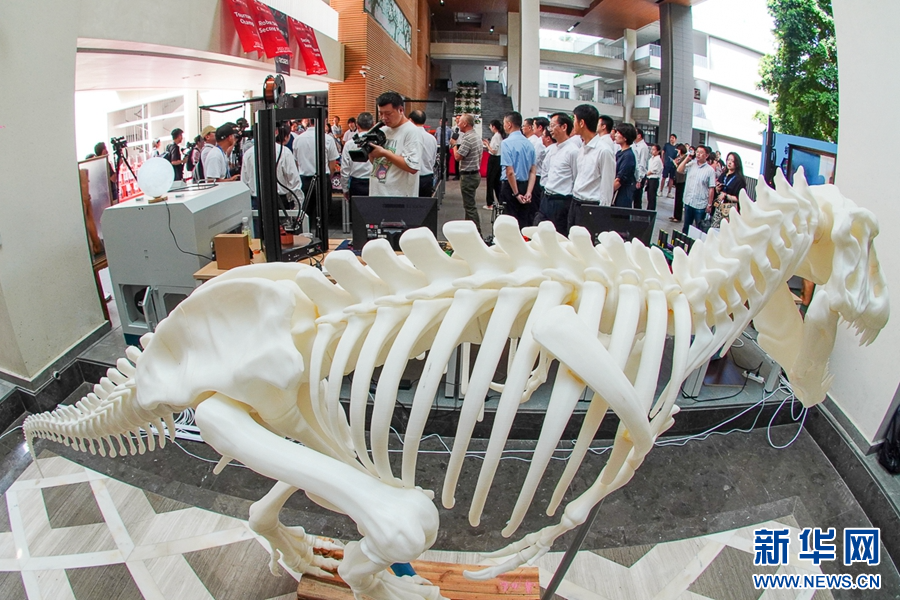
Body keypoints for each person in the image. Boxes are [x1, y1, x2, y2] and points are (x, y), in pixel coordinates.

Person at [241, 123, 304, 236]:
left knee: (260, 238)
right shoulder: (284, 152)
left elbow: (244, 182)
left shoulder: (248, 154)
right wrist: (298, 205)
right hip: (279, 201)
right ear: (276, 132)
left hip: (257, 201)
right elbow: (294, 181)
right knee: (282, 239)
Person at [570, 104, 616, 229]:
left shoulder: (604, 151)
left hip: (591, 206)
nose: (573, 124)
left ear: (581, 123)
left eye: (574, 119)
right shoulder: (582, 148)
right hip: (575, 203)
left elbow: (607, 187)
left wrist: (602, 215)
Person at [368, 91, 421, 197]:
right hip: (376, 194)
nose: (384, 118)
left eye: (388, 114)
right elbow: (377, 163)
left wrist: (384, 153)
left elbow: (413, 167)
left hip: (398, 197)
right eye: (381, 113)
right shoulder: (383, 130)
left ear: (401, 110)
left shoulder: (411, 131)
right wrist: (370, 151)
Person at [536, 112, 579, 234]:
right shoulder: (552, 149)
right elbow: (546, 173)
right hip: (547, 197)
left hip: (561, 201)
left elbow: (576, 178)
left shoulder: (573, 151)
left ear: (564, 127)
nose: (550, 130)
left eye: (553, 125)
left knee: (558, 235)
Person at [499, 111, 537, 230]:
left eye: (504, 123)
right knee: (523, 222)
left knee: (509, 224)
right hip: (525, 186)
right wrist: (529, 192)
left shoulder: (506, 143)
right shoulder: (529, 144)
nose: (504, 126)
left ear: (509, 124)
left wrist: (516, 193)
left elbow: (510, 172)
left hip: (511, 186)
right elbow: (533, 171)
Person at [292, 118, 340, 200]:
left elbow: (296, 163)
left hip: (304, 180)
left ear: (309, 121)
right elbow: (332, 166)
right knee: (324, 207)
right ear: (324, 121)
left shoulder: (297, 139)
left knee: (306, 207)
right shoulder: (328, 139)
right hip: (323, 180)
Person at [450, 113, 482, 234]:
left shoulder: (468, 138)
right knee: (469, 205)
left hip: (468, 176)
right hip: (474, 174)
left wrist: (454, 144)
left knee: (470, 207)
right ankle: (469, 231)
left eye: (459, 122)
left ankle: (477, 233)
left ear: (465, 124)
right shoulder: (476, 136)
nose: (457, 124)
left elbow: (458, 157)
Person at [677, 144, 717, 234]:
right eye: (697, 152)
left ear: (706, 155)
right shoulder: (692, 164)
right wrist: (687, 158)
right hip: (688, 201)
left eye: (701, 152)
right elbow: (679, 170)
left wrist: (709, 204)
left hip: (700, 204)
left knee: (698, 229)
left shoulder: (710, 170)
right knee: (686, 227)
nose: (698, 154)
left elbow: (711, 188)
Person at [341, 112, 374, 201]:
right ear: (373, 125)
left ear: (357, 125)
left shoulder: (349, 144)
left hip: (356, 184)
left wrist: (345, 189)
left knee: (356, 209)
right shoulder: (378, 142)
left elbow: (345, 169)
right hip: (375, 182)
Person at [711, 151, 747, 228]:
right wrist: (717, 189)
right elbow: (718, 191)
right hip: (718, 207)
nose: (729, 163)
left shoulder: (739, 179)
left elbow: (739, 198)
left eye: (732, 161)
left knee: (725, 229)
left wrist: (726, 196)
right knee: (714, 228)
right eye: (728, 160)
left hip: (729, 208)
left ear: (737, 164)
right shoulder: (723, 175)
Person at [408, 110, 438, 197]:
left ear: (410, 120)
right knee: (425, 203)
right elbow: (433, 158)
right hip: (427, 176)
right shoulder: (432, 138)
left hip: (411, 177)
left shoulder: (409, 136)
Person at [612, 123, 637, 208]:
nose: (615, 135)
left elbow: (620, 179)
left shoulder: (628, 156)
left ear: (625, 138)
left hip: (622, 196)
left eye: (618, 133)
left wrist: (607, 192)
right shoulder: (620, 153)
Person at [482, 119, 504, 209]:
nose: (490, 127)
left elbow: (494, 151)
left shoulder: (496, 136)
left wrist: (487, 145)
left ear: (493, 127)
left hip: (494, 159)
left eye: (490, 126)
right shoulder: (500, 135)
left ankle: (490, 203)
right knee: (496, 182)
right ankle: (500, 201)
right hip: (499, 159)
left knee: (490, 181)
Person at [669, 144, 688, 223]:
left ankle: (678, 216)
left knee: (679, 198)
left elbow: (681, 168)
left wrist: (675, 163)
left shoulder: (685, 158)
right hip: (677, 179)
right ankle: (675, 215)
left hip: (682, 179)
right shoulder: (679, 157)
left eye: (678, 150)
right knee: (677, 198)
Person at [631, 128, 649, 208]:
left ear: (639, 135)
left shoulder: (643, 147)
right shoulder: (634, 145)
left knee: (637, 199)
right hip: (635, 174)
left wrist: (639, 179)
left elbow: (642, 163)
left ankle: (637, 214)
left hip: (640, 176)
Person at [645, 144, 663, 212]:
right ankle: (648, 210)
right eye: (651, 149)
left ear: (658, 151)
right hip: (649, 178)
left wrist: (645, 175)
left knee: (652, 196)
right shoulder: (651, 158)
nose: (652, 151)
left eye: (654, 149)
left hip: (654, 179)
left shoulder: (658, 160)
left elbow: (653, 171)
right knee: (649, 196)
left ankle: (651, 211)